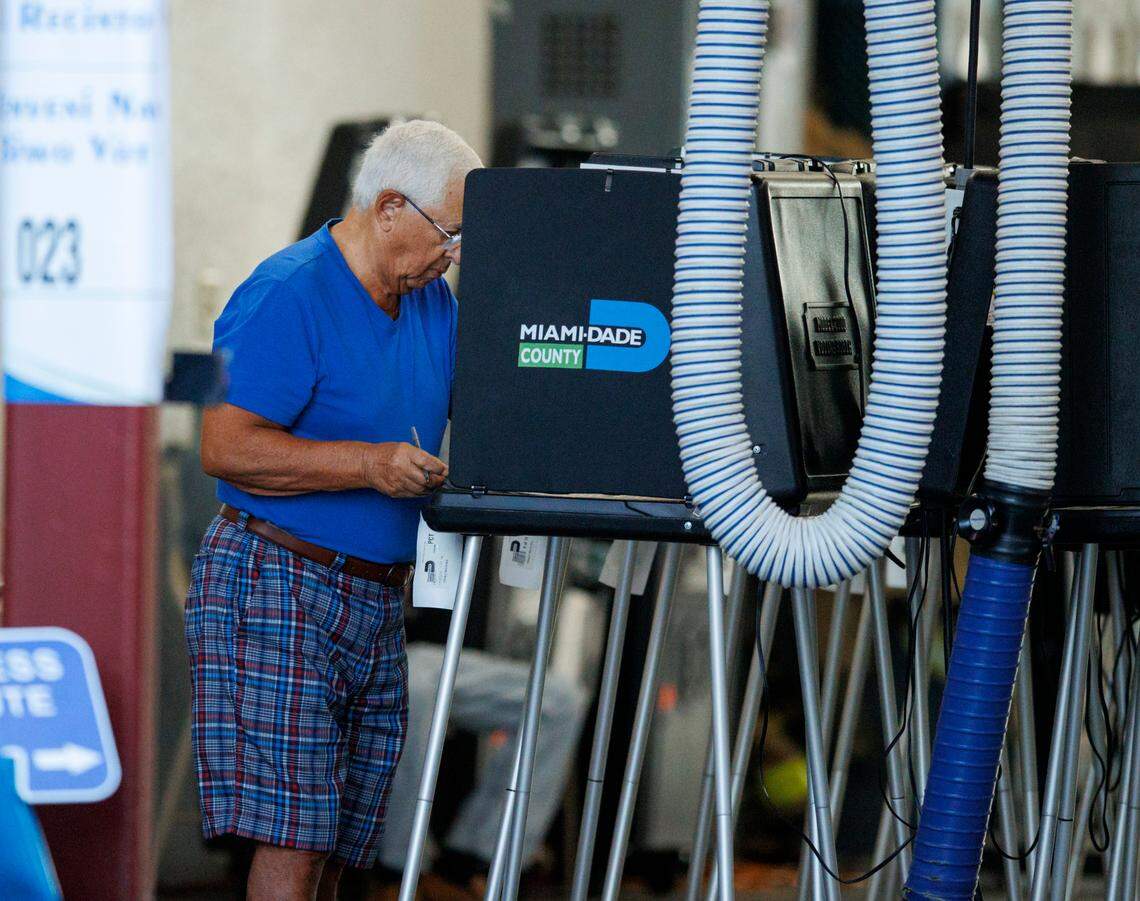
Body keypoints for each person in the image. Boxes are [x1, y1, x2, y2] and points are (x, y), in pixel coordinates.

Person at [184, 119, 482, 901]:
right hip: (275, 580)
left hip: (373, 596)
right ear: (389, 207)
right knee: (298, 831)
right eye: (448, 236)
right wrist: (366, 463)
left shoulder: (431, 306)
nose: (452, 257)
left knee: (349, 832)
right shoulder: (288, 291)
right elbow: (223, 443)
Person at [374, 641, 587, 897]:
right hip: (343, 651)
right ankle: (399, 869)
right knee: (412, 683)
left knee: (559, 701)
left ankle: (470, 863)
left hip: (404, 642)